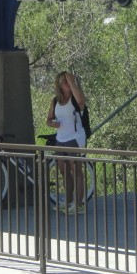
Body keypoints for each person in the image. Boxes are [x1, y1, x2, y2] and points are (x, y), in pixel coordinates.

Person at [46, 71, 87, 214]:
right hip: (60, 138)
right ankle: (68, 201)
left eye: (68, 81)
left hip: (75, 137)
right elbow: (49, 118)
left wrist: (72, 82)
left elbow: (82, 102)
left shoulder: (75, 98)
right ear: (59, 85)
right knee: (63, 170)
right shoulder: (56, 100)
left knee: (76, 170)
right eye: (64, 81)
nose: (67, 84)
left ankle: (79, 204)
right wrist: (52, 124)